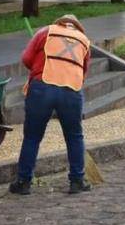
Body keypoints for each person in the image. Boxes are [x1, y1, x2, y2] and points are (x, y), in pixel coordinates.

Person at [10, 15, 92, 195]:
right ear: (77, 27)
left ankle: (23, 182)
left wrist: (38, 69)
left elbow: (26, 58)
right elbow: (83, 70)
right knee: (74, 136)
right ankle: (77, 180)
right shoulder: (84, 41)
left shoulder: (45, 32)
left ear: (59, 23)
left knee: (32, 136)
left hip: (42, 88)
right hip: (71, 90)